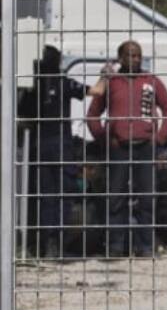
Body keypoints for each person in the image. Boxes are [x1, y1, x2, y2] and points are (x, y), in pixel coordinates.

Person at [85, 40, 167, 258]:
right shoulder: (111, 82)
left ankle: (145, 247)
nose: (134, 59)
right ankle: (115, 247)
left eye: (137, 55)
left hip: (146, 147)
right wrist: (104, 138)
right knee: (115, 198)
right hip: (118, 148)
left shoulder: (151, 81)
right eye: (129, 55)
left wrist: (160, 137)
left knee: (146, 198)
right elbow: (92, 115)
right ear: (120, 58)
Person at [17, 45, 107, 259]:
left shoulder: (31, 85)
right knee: (63, 195)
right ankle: (56, 244)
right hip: (61, 146)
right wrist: (105, 75)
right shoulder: (64, 82)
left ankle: (43, 245)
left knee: (44, 196)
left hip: (39, 146)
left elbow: (22, 114)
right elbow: (98, 91)